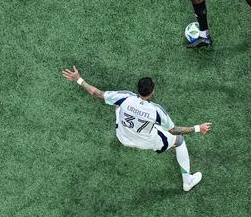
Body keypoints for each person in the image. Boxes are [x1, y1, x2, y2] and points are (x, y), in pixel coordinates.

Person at [61, 65, 212, 192]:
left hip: (123, 137)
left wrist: (78, 79)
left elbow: (95, 93)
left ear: (138, 89)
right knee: (179, 141)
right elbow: (174, 130)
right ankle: (187, 181)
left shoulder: (126, 97)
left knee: (117, 104)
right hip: (146, 141)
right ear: (152, 91)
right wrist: (198, 128)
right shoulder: (156, 110)